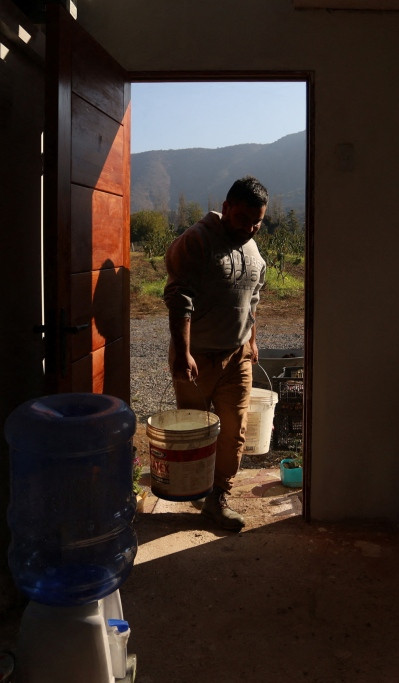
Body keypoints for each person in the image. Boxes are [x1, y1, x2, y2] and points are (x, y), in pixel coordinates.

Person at [162, 175, 269, 531]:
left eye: (257, 222)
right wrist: (182, 351)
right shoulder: (197, 240)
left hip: (237, 356)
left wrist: (251, 341)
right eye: (243, 219)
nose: (250, 228)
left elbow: (253, 299)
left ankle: (218, 497)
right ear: (225, 208)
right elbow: (179, 296)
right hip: (197, 358)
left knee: (234, 431)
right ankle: (195, 486)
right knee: (196, 430)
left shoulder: (253, 250)